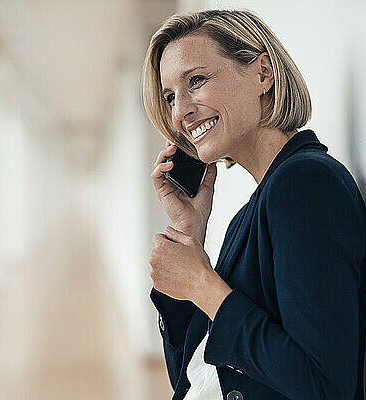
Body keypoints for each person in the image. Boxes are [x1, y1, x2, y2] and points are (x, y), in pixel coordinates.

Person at [142, 9, 366, 400]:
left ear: (263, 73)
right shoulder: (251, 212)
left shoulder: (305, 184)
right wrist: (191, 230)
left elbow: (325, 388)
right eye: (171, 97)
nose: (180, 111)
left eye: (196, 80)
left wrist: (202, 285)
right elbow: (193, 375)